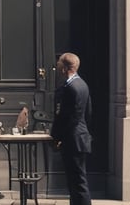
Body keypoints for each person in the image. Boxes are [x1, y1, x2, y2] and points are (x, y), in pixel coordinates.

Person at [50, 52, 92, 205]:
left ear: (65, 67)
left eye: (59, 64)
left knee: (77, 182)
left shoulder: (70, 88)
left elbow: (65, 117)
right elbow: (88, 113)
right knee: (77, 181)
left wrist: (56, 137)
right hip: (80, 136)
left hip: (72, 139)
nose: (58, 66)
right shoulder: (82, 84)